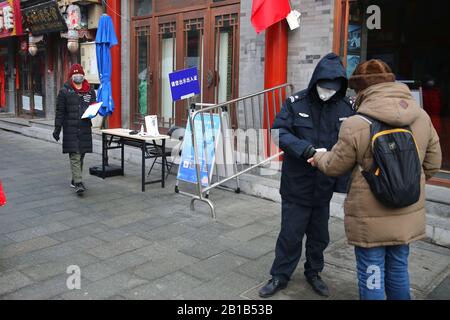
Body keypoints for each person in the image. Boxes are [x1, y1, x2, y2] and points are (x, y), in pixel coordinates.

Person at [309, 59, 442, 300]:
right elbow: (433, 163)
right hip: (408, 207)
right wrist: (406, 182)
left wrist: (318, 158)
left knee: (371, 272)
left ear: (361, 90)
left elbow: (336, 166)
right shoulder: (421, 117)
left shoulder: (356, 124)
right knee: (399, 268)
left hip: (369, 215)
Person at [259, 53, 355, 298]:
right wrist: (306, 151)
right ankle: (280, 275)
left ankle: (314, 272)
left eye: (332, 88)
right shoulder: (296, 102)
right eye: (324, 86)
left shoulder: (346, 107)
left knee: (319, 236)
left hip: (324, 184)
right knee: (290, 234)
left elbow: (351, 143)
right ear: (315, 82)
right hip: (297, 183)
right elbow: (278, 131)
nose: (327, 92)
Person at [53, 64, 96, 195]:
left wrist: (93, 111)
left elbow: (93, 106)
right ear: (71, 76)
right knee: (75, 155)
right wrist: (57, 129)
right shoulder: (65, 91)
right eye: (75, 74)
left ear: (83, 75)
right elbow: (60, 111)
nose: (78, 76)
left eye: (80, 74)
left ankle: (74, 179)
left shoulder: (90, 91)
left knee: (81, 154)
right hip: (70, 128)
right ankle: (78, 183)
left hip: (84, 128)